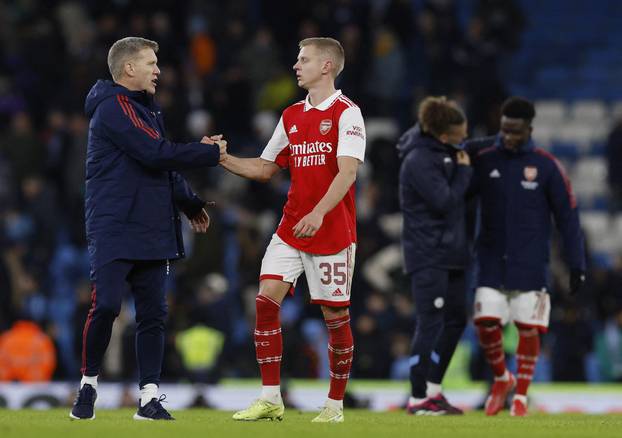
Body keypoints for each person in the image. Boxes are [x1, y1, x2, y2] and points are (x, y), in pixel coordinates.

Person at [70, 37, 226, 421]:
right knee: (106, 305)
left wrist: (189, 202)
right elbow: (155, 153)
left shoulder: (145, 110)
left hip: (153, 225)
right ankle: (88, 385)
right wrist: (209, 153)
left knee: (153, 314)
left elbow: (159, 164)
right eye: (151, 63)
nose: (158, 70)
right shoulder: (113, 108)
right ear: (129, 69)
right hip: (115, 224)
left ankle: (149, 398)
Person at [219, 37, 365, 423]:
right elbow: (266, 168)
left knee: (335, 318)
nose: (296, 65)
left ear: (327, 66)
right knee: (266, 299)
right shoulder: (290, 116)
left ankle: (334, 404)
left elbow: (348, 172)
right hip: (291, 228)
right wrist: (222, 158)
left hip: (332, 231)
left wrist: (318, 213)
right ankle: (270, 397)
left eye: (304, 59)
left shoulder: (347, 113)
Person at [466, 97, 586, 416]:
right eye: (503, 129)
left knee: (528, 328)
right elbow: (460, 194)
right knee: (485, 322)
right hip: (491, 259)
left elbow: (568, 218)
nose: (507, 136)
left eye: (514, 131)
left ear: (529, 130)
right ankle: (501, 379)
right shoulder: (485, 159)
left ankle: (521, 395)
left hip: (531, 264)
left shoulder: (547, 166)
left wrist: (577, 263)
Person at [397, 97, 471, 415]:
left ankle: (434, 389)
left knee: (456, 321)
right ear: (444, 136)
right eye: (459, 134)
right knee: (430, 322)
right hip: (428, 254)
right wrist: (465, 174)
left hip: (451, 253)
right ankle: (417, 397)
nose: (463, 140)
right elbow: (444, 201)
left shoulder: (444, 153)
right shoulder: (418, 160)